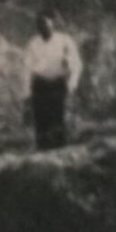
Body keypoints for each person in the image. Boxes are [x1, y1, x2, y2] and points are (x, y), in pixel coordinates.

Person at [23, 12, 83, 150]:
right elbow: (26, 70)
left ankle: (59, 152)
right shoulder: (33, 43)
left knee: (58, 120)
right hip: (40, 85)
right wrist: (26, 93)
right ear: (37, 28)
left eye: (46, 25)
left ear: (52, 24)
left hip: (58, 85)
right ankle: (42, 154)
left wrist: (71, 85)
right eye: (40, 26)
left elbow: (77, 64)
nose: (44, 29)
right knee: (41, 122)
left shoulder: (64, 41)